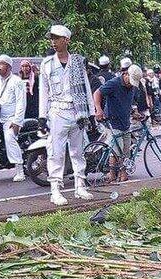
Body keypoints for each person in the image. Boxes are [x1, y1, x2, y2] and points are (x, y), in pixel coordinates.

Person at [39, 24, 95, 206]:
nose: (53, 42)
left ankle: (80, 186)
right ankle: (55, 190)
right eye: (51, 39)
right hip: (57, 112)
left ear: (66, 40)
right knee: (55, 152)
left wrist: (91, 113)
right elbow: (44, 91)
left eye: (56, 38)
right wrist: (42, 117)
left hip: (77, 112)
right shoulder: (47, 64)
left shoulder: (78, 62)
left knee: (78, 151)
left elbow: (86, 88)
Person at [93, 64, 143, 182]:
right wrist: (98, 109)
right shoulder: (114, 83)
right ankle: (112, 174)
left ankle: (122, 173)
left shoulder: (132, 87)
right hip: (113, 121)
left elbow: (129, 102)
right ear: (125, 74)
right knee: (116, 149)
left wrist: (134, 112)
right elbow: (97, 93)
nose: (131, 83)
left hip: (125, 121)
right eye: (130, 80)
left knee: (126, 150)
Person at [0, 54, 27, 182]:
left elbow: (21, 103)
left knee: (9, 137)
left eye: (1, 64)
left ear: (9, 66)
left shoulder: (17, 81)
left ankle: (19, 170)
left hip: (11, 118)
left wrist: (17, 121)